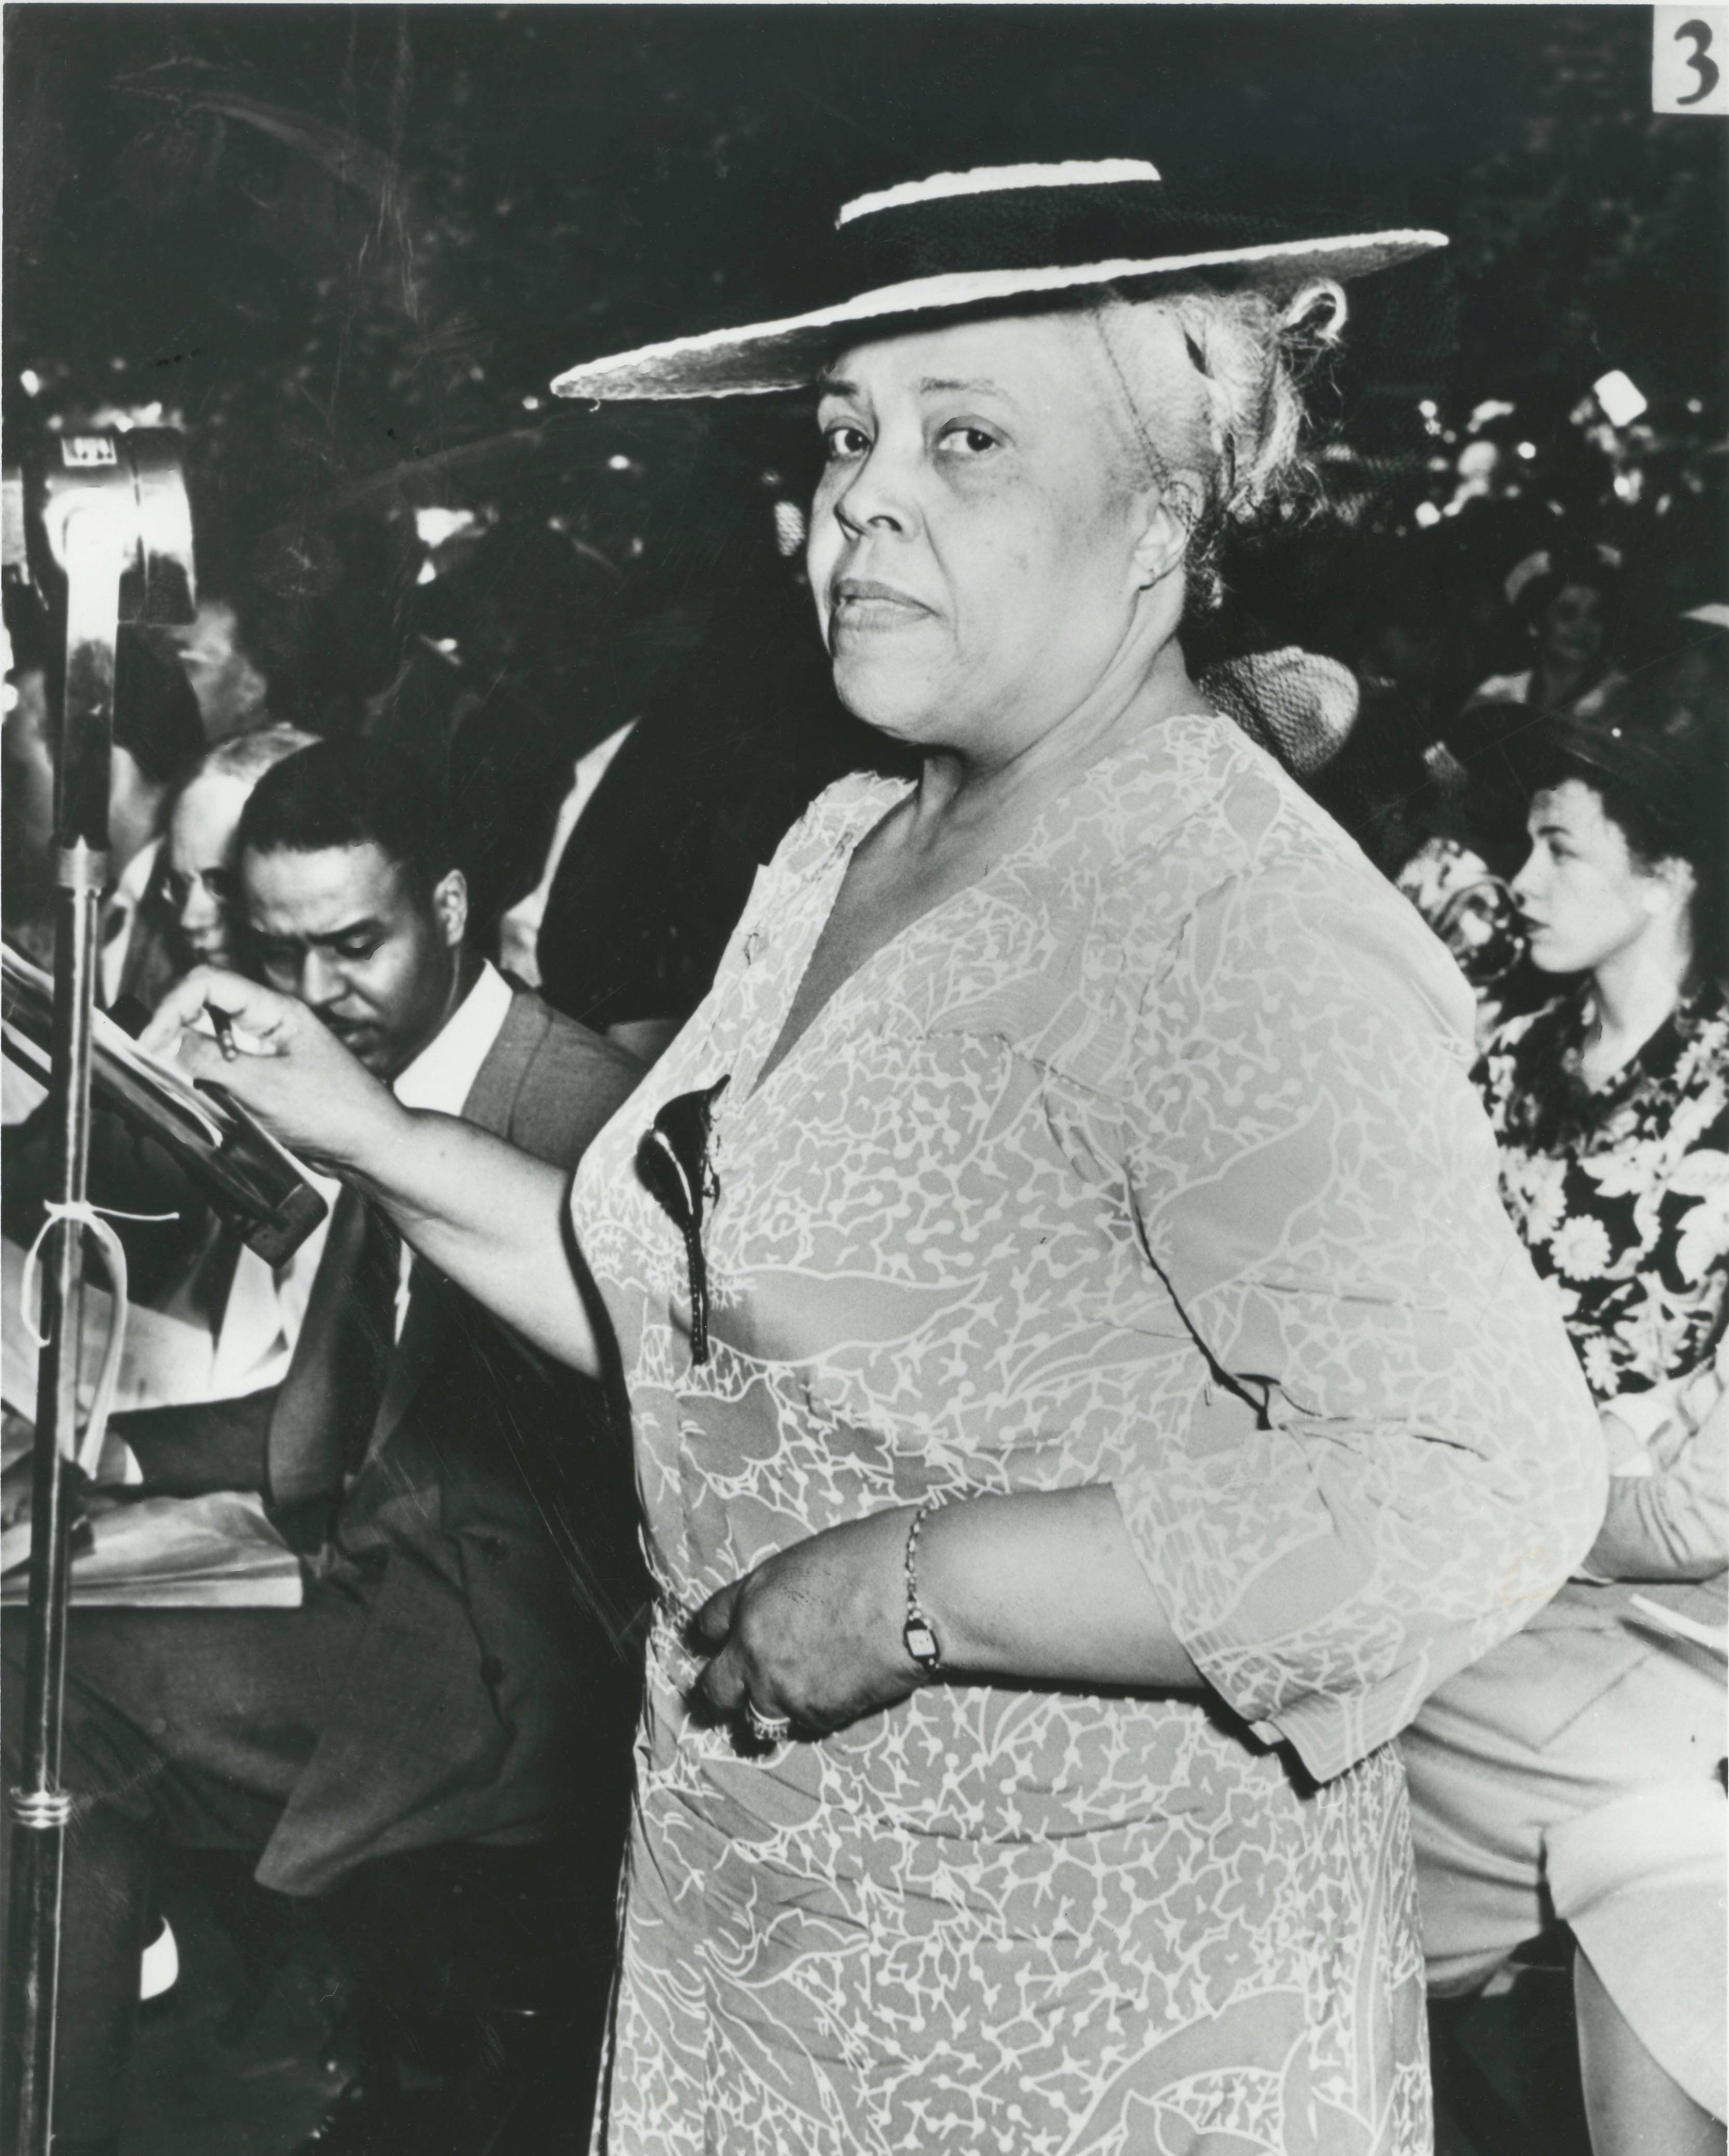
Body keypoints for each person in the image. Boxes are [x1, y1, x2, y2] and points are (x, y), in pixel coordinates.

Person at [144, 161, 1606, 2155]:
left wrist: (921, 1586)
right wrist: (363, 1127)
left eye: (966, 439)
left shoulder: (1219, 920)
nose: (862, 497)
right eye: (844, 433)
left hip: (1075, 2012)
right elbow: (711, 1344)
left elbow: (1468, 1483)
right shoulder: (842, 846)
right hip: (766, 1953)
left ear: (1163, 509)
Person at [3, 738, 649, 2156]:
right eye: (281, 953)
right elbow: (320, 1432)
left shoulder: (576, 1109)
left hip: (499, 1680)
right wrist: (84, 1467)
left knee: (31, 1682)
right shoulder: (389, 1075)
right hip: (389, 1616)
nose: (312, 998)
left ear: (459, 905)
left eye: (356, 944)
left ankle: (87, 2066)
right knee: (30, 1644)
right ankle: (101, 2025)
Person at [1402, 688, 1728, 2155]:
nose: (1522, 882)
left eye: (1560, 851)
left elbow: (1698, 1517)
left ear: (1672, 874)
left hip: (1637, 1613)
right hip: (1467, 1547)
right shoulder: (1498, 1039)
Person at [1461, 539, 1625, 724]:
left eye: (1596, 616)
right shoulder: (1499, 694)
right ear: (1536, 625)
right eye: (1567, 614)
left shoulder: (1622, 699)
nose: (1583, 628)